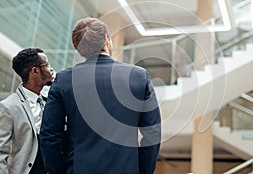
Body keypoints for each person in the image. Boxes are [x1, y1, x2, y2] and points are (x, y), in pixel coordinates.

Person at [40, 17, 161, 174]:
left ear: (79, 49)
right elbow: (152, 133)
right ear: (106, 40)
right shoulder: (138, 76)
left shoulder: (63, 80)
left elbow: (49, 136)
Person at [0, 48, 55, 174]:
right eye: (47, 65)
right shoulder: (8, 107)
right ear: (35, 71)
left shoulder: (51, 101)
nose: (51, 69)